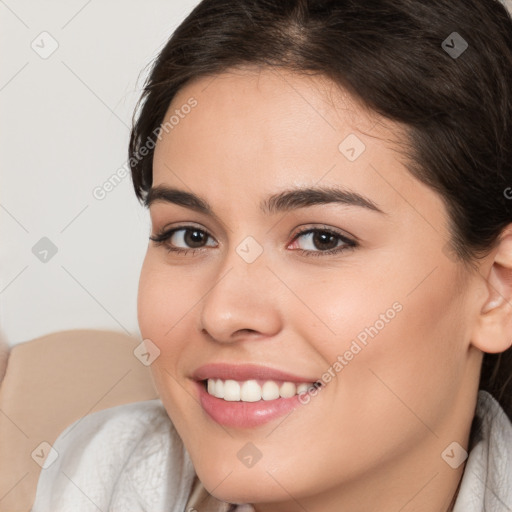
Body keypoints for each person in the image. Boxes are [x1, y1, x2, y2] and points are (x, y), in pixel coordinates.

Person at [31, 0, 512, 510]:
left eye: (321, 239)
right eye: (190, 236)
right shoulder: (96, 478)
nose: (223, 313)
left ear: (497, 290)